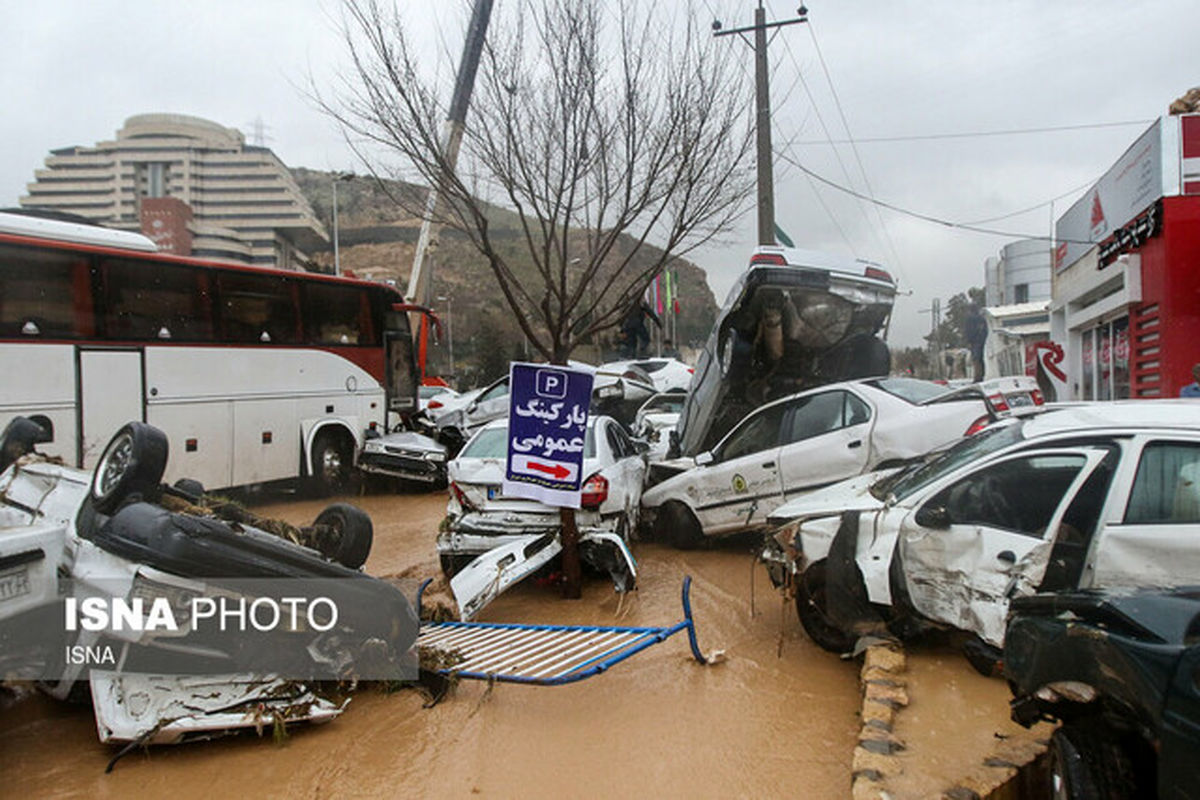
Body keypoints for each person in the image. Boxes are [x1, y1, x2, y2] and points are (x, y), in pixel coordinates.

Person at [964, 303, 987, 383]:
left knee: (976, 358)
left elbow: (969, 331)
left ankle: (977, 377)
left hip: (974, 342)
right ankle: (981, 375)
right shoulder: (982, 319)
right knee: (981, 358)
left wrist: (969, 341)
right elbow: (985, 331)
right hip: (981, 341)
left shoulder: (970, 319)